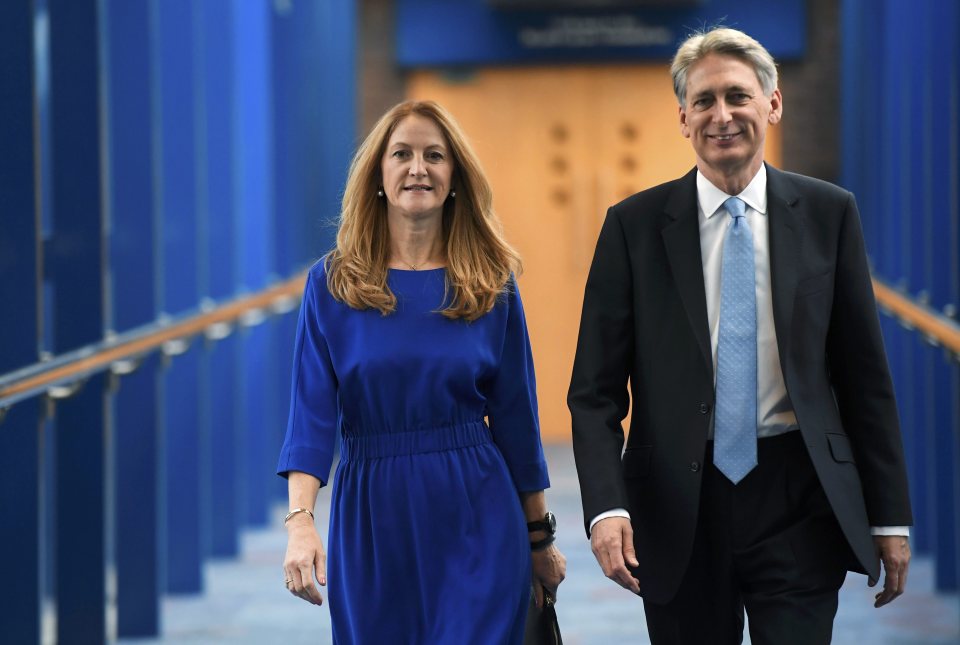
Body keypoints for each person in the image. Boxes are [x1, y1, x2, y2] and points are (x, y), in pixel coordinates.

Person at [568, 27, 912, 644]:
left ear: (772, 105)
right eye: (704, 101)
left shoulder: (830, 214)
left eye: (737, 96)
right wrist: (606, 506)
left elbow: (865, 380)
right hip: (676, 503)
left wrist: (891, 516)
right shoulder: (634, 226)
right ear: (683, 118)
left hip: (798, 496)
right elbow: (593, 391)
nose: (721, 115)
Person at [277, 99, 565, 644]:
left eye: (435, 155)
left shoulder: (489, 281)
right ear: (378, 176)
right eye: (402, 154)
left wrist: (538, 539)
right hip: (372, 513)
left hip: (477, 508)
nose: (418, 168)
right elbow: (310, 418)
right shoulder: (332, 283)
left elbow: (517, 420)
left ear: (454, 176)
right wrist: (300, 523)